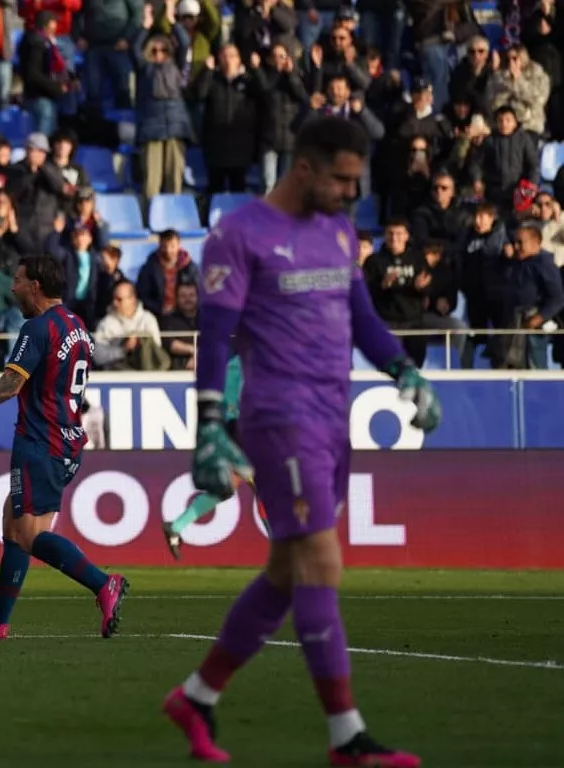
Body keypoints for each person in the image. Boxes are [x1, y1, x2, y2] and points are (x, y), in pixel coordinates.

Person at [163, 116, 439, 767]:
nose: (351, 191)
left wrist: (402, 368)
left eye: (356, 179)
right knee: (321, 562)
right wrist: (206, 422)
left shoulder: (340, 231)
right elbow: (214, 336)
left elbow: (363, 318)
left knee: (286, 574)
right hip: (277, 418)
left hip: (331, 419)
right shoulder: (238, 235)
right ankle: (347, 737)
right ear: (304, 167)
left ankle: (196, 696)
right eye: (341, 178)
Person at [0, 254, 128, 641]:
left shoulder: (38, 329)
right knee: (13, 521)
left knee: (27, 535)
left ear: (35, 286)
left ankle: (104, 583)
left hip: (42, 443)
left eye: (17, 280)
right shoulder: (77, 325)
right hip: (66, 440)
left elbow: (8, 386)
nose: (12, 287)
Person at [161, 356, 267, 558]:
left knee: (227, 487)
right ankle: (284, 557)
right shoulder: (252, 363)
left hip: (229, 430)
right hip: (243, 432)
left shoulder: (234, 364)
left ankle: (176, 526)